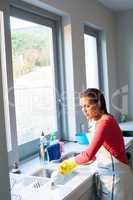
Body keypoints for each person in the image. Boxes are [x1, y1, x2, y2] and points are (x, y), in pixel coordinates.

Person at [58, 88, 133, 200]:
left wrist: (70, 162)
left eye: (87, 106)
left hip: (115, 179)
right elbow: (95, 152)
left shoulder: (105, 122)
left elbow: (89, 154)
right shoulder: (98, 120)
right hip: (109, 176)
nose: (84, 110)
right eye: (82, 106)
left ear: (99, 104)